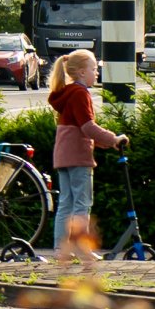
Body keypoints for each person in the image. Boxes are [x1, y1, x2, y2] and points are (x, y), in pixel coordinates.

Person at [47, 49, 127, 261]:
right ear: (82, 72)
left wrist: (106, 144)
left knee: (65, 203)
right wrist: (114, 139)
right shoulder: (81, 93)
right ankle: (82, 249)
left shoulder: (66, 93)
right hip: (78, 158)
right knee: (82, 203)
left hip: (63, 155)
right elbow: (88, 127)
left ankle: (60, 249)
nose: (97, 73)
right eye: (94, 69)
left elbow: (79, 128)